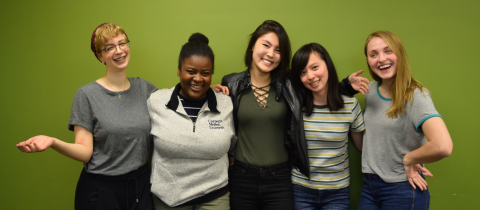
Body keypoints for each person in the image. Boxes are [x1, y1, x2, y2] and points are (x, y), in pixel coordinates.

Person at [216, 20, 366, 210]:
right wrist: (204, 92)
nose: (271, 54)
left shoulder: (288, 84)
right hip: (242, 176)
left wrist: (345, 86)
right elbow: (219, 119)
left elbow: (316, 87)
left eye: (278, 50)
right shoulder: (231, 83)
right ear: (252, 46)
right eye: (266, 45)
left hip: (280, 178)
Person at [15, 23, 157, 210]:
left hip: (140, 188)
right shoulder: (86, 95)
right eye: (109, 47)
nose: (119, 50)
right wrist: (53, 142)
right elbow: (85, 151)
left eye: (122, 43)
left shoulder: (144, 88)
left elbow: (176, 101)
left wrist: (208, 91)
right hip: (101, 192)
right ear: (100, 56)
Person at [358, 30, 453, 210]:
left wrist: (409, 158)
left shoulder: (415, 95)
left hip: (402, 189)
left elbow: (443, 146)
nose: (381, 59)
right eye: (373, 54)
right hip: (370, 187)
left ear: (399, 54)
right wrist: (346, 85)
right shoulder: (369, 91)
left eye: (388, 51)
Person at [147, 33, 235, 210]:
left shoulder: (225, 102)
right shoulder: (156, 102)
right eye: (191, 71)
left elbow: (233, 145)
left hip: (215, 195)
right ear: (179, 70)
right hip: (168, 197)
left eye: (205, 73)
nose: (198, 79)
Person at [289, 43, 365, 210]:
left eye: (315, 67)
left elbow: (362, 146)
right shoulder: (295, 107)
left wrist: (406, 158)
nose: (310, 76)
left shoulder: (350, 105)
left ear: (327, 65)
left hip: (337, 192)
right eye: (303, 72)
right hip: (301, 189)